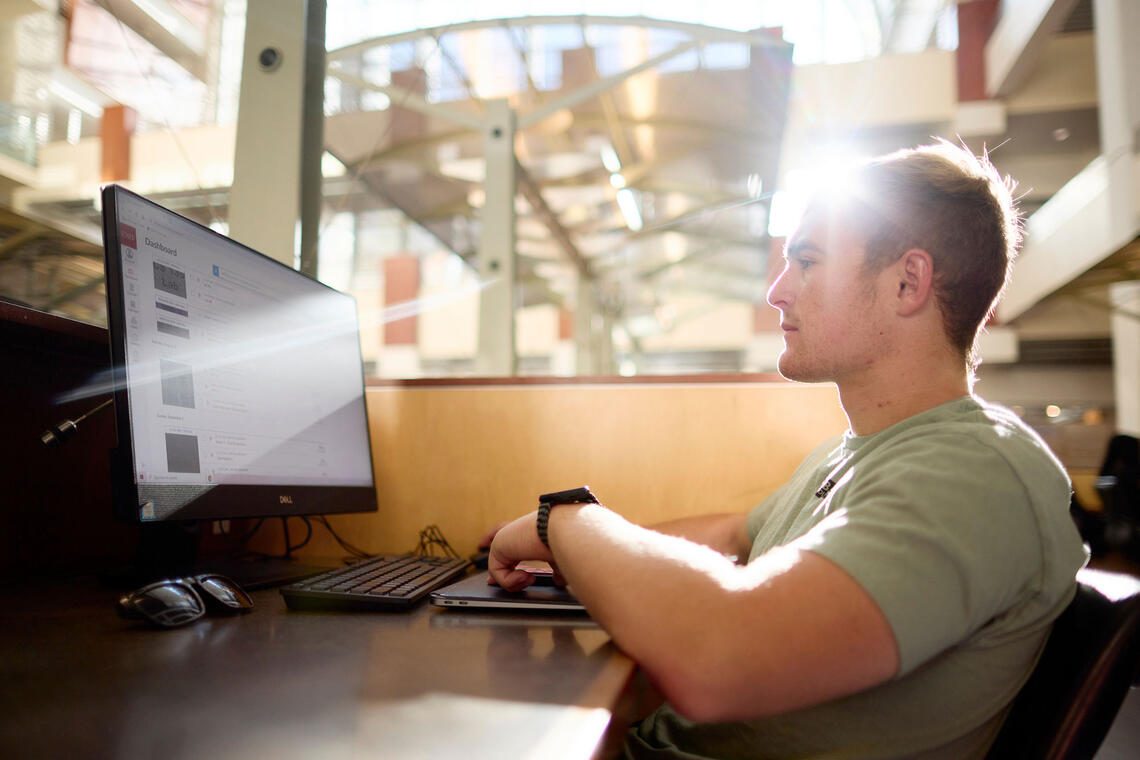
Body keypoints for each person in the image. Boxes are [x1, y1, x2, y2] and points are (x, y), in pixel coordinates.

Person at [485, 141, 1088, 759]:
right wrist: (585, 560)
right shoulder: (860, 453)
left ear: (908, 282)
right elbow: (731, 536)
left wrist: (564, 520)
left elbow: (722, 659)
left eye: (805, 260)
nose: (777, 291)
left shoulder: (973, 473)